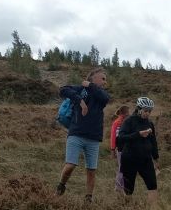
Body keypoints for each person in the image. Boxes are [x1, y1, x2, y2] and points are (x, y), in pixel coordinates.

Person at [56, 68, 111, 202]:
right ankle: (61, 185)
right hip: (76, 134)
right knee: (71, 165)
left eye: (105, 79)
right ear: (93, 77)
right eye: (102, 78)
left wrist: (90, 85)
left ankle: (88, 198)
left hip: (93, 138)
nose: (105, 81)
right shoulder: (80, 89)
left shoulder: (101, 94)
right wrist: (79, 100)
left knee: (91, 170)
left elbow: (105, 98)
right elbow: (63, 89)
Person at [117, 97, 160, 202]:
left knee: (152, 185)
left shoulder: (149, 123)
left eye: (150, 111)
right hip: (130, 158)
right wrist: (138, 134)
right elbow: (121, 138)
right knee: (129, 188)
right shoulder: (129, 121)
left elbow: (153, 141)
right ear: (139, 109)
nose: (148, 113)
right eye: (146, 111)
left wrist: (156, 158)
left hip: (145, 159)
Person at [110, 105, 130, 192]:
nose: (129, 114)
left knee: (124, 168)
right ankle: (118, 187)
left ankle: (123, 187)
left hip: (126, 149)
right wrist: (112, 149)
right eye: (128, 113)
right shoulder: (117, 122)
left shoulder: (127, 122)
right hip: (121, 149)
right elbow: (113, 137)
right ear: (124, 113)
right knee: (122, 168)